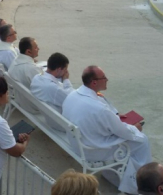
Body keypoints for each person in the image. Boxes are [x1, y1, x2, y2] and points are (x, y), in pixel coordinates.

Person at [62, 66, 152, 194]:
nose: (107, 79)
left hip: (77, 143)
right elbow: (124, 132)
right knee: (142, 141)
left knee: (132, 138)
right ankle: (144, 184)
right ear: (94, 82)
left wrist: (114, 117)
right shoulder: (99, 108)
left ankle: (116, 176)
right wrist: (135, 128)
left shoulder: (73, 95)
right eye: (104, 78)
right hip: (92, 150)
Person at [30, 52, 73, 119]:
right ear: (59, 69)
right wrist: (66, 80)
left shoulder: (37, 77)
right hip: (58, 121)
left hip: (46, 114)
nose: (66, 72)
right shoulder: (53, 88)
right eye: (65, 69)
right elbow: (71, 99)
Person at [8, 37, 43, 112]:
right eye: (36, 47)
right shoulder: (32, 69)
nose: (38, 49)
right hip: (33, 106)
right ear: (28, 52)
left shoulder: (15, 61)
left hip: (20, 99)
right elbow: (44, 89)